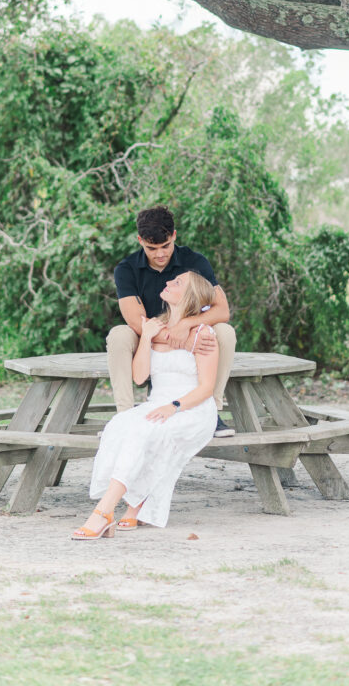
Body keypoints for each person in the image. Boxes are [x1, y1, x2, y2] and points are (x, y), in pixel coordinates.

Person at [72, 270, 219, 538]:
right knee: (119, 425)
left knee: (148, 431)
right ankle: (135, 504)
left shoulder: (203, 333)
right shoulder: (155, 327)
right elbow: (140, 377)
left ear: (189, 296)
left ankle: (105, 511)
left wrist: (174, 406)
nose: (168, 283)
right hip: (157, 403)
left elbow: (206, 388)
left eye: (177, 283)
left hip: (191, 407)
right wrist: (148, 337)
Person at [106, 205, 236, 437]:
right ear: (140, 240)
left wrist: (186, 326)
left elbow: (222, 310)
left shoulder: (195, 261)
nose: (160, 254)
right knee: (118, 334)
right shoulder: (126, 269)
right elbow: (136, 321)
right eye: (151, 248)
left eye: (165, 246)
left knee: (225, 331)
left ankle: (212, 411)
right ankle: (123, 416)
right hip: (149, 338)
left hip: (193, 336)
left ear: (174, 235)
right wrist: (175, 339)